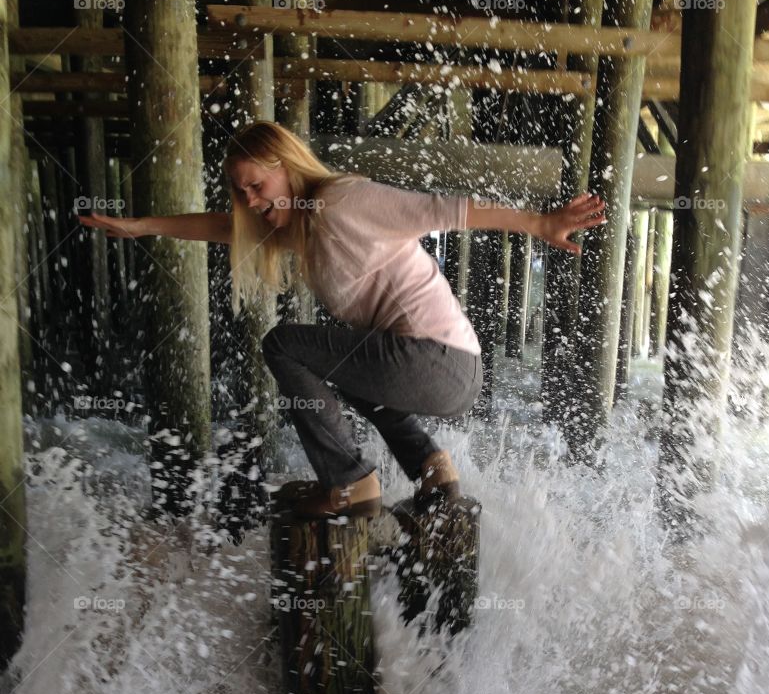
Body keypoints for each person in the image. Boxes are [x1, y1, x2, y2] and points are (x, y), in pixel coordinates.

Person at [79, 121, 606, 516]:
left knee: (283, 345)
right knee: (339, 368)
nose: (249, 200)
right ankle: (431, 469)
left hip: (436, 362)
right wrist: (142, 226)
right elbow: (223, 228)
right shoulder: (302, 225)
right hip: (446, 371)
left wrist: (538, 222)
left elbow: (445, 208)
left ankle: (350, 483)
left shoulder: (341, 201)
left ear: (287, 166)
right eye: (240, 192)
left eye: (257, 185)